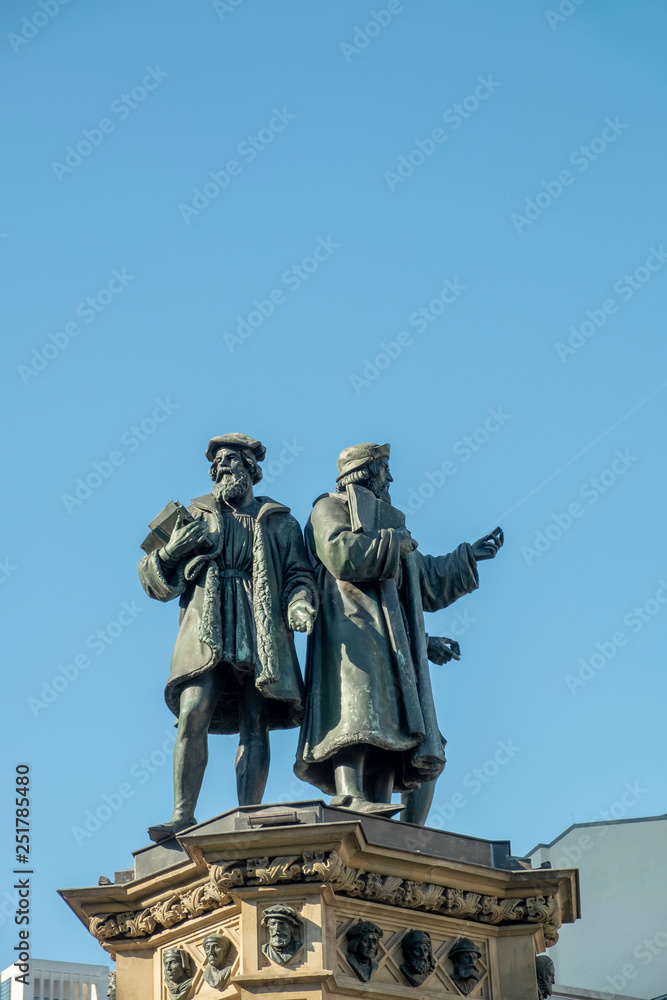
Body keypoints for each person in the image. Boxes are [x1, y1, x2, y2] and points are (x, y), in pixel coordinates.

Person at [295, 441, 502, 821]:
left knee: (391, 722)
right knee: (354, 714)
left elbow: (421, 577)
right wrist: (394, 544)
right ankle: (348, 794)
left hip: (391, 640)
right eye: (384, 470)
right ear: (365, 473)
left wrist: (466, 558)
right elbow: (341, 553)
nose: (389, 478)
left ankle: (378, 803)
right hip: (348, 627)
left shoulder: (386, 520)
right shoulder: (327, 508)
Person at [139, 433, 318, 841]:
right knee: (192, 712)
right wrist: (169, 553)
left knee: (255, 721)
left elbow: (299, 574)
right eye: (217, 463)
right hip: (206, 631)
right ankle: (182, 815)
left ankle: (249, 814)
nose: (222, 468)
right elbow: (152, 581)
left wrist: (300, 602)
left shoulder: (280, 521)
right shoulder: (192, 516)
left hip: (261, 629)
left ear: (251, 469)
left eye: (231, 461)